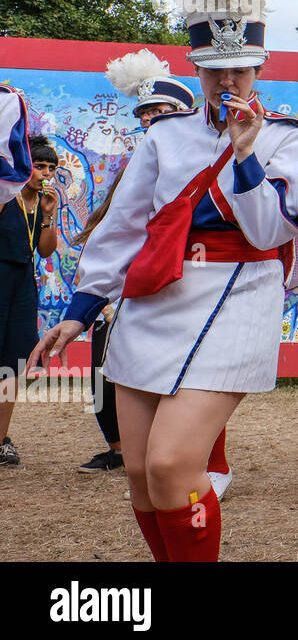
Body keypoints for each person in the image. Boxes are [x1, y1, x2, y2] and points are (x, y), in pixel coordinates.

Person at [29, 0, 298, 561]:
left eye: (238, 70)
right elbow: (122, 229)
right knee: (138, 473)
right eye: (214, 72)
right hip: (153, 301)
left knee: (170, 466)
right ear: (196, 68)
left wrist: (245, 157)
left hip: (238, 298)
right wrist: (79, 313)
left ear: (258, 66)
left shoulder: (288, 139)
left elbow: (273, 230)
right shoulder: (165, 137)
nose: (227, 84)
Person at [77, 51, 197, 476]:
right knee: (102, 373)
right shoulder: (136, 166)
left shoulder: (202, 164)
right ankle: (119, 449)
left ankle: (202, 459)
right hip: (127, 291)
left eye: (161, 112)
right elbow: (118, 226)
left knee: (188, 378)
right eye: (145, 113)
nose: (150, 120)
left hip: (182, 288)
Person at [0, 135, 58, 465]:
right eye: (39, 166)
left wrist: (49, 215)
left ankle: (1, 440)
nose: (45, 174)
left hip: (23, 286)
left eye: (51, 168)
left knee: (12, 364)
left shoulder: (41, 204)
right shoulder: (5, 197)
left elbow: (46, 250)